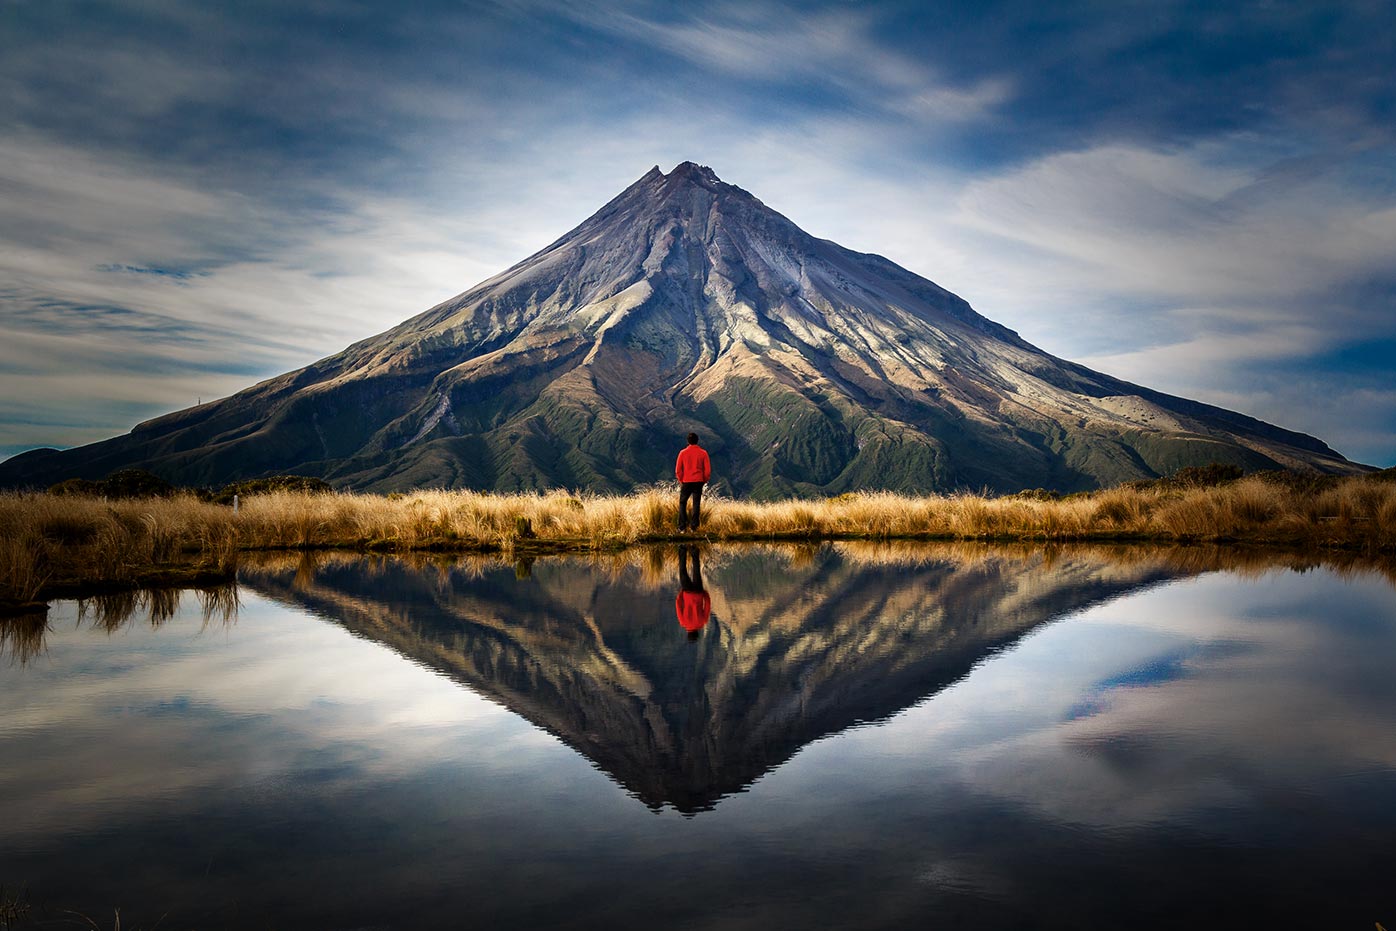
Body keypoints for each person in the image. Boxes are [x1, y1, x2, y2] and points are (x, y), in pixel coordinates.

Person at [674, 432, 711, 532]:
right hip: (698, 481)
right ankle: (694, 527)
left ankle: (682, 527)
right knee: (696, 503)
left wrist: (681, 480)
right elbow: (707, 471)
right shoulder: (703, 453)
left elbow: (678, 470)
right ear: (697, 440)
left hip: (686, 481)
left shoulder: (682, 453)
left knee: (682, 503)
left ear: (688, 441)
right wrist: (704, 480)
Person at [675, 545, 710, 641]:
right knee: (682, 571)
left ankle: (694, 551)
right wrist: (680, 594)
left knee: (696, 571)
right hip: (687, 592)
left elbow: (707, 605)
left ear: (697, 633)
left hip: (698, 592)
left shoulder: (703, 622)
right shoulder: (683, 623)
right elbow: (678, 606)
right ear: (688, 633)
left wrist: (705, 594)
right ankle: (682, 549)